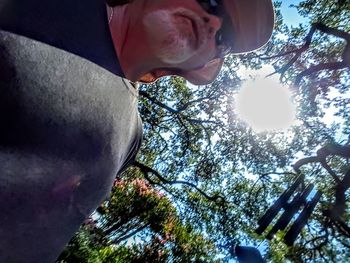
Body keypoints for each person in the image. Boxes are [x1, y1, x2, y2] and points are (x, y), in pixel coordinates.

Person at [0, 0, 274, 262]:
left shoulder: (132, 136)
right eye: (209, 0)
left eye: (224, 37)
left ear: (202, 64)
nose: (214, 23)